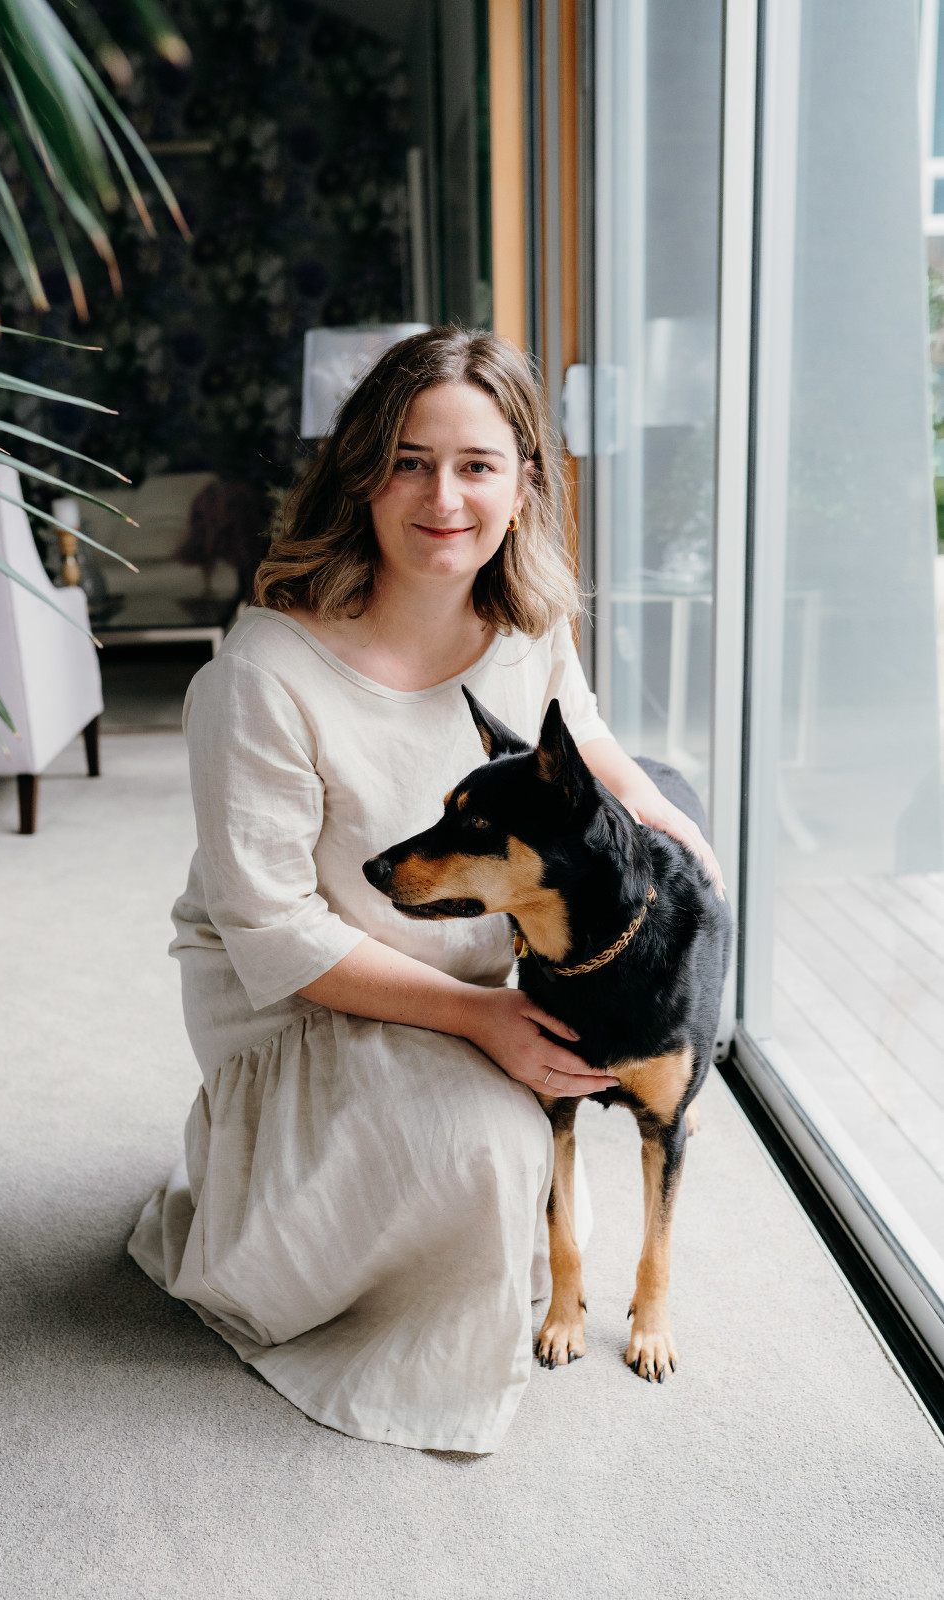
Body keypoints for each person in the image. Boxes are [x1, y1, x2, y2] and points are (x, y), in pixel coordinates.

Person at [128, 327, 721, 1453]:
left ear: (522, 483)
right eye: (408, 462)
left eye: (474, 465)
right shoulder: (260, 675)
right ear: (360, 475)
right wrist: (482, 1020)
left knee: (532, 1166)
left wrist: (664, 817)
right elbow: (270, 929)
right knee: (492, 1165)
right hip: (310, 997)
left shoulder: (527, 622)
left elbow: (584, 739)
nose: (443, 498)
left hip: (481, 967)